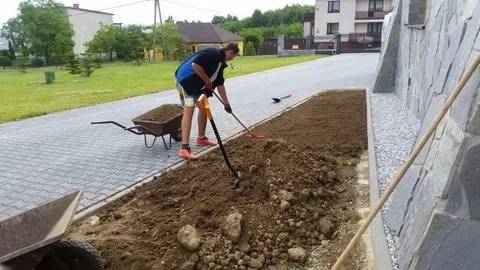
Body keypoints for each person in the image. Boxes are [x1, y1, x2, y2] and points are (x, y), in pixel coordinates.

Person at [175, 43, 240, 159]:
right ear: (230, 52)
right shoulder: (213, 53)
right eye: (234, 56)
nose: (233, 58)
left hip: (198, 85)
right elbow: (195, 66)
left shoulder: (220, 63)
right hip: (186, 82)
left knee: (205, 108)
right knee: (189, 112)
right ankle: (184, 148)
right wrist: (208, 81)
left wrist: (226, 104)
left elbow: (220, 84)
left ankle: (201, 138)